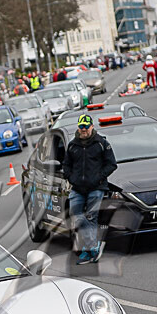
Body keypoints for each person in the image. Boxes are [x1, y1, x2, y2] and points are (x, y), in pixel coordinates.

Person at [62, 113, 117, 264]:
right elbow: (66, 165)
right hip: (77, 188)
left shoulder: (101, 143)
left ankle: (88, 251)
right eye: (81, 126)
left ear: (92, 126)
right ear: (78, 127)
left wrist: (99, 177)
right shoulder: (72, 145)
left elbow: (112, 164)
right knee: (76, 216)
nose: (84, 129)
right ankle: (93, 246)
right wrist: (71, 178)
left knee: (91, 217)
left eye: (86, 126)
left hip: (96, 187)